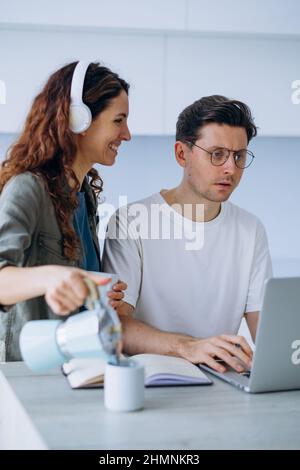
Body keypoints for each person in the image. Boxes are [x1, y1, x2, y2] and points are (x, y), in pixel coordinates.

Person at [102, 95, 273, 374]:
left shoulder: (250, 229)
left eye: (239, 156)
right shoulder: (131, 221)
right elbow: (118, 326)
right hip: (152, 381)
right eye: (217, 154)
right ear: (182, 154)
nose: (230, 168)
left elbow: (267, 332)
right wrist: (189, 347)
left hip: (222, 384)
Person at [0, 61, 131, 361]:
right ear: (78, 120)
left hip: (75, 366)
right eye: (118, 120)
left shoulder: (85, 196)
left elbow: (72, 289)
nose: (127, 134)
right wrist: (51, 278)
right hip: (28, 374)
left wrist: (95, 293)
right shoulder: (27, 188)